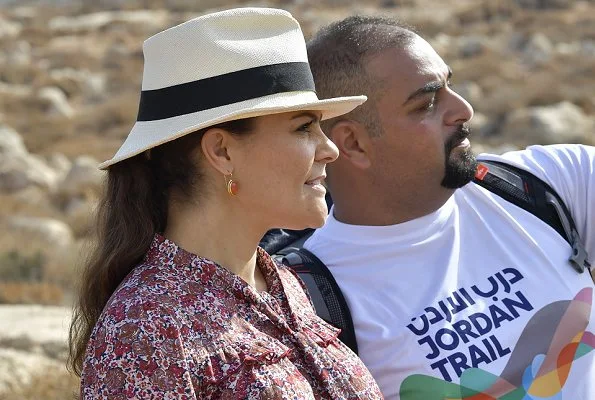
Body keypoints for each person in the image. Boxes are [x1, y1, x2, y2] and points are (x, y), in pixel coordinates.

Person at [67, 8, 384, 399]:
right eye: (303, 127)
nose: (330, 148)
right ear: (222, 151)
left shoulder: (282, 285)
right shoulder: (145, 325)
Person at [300, 15, 595, 400]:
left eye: (450, 86)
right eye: (426, 103)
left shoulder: (547, 183)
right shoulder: (312, 300)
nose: (463, 109)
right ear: (353, 143)